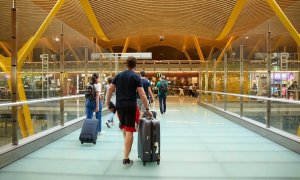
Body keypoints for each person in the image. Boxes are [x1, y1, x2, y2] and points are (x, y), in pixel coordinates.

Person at [105, 56, 152, 166]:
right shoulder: (136, 77)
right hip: (130, 105)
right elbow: (142, 94)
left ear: (126, 64)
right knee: (130, 130)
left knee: (125, 128)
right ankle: (126, 158)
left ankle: (126, 150)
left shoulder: (119, 75)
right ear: (135, 66)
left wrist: (107, 103)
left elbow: (110, 89)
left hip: (119, 106)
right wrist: (147, 109)